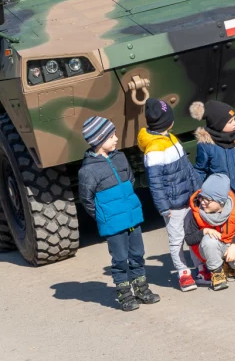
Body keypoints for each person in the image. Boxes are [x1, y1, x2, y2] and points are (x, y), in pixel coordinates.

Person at [78, 116, 159, 311]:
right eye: (111, 136)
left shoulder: (120, 157)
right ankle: (124, 294)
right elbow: (86, 199)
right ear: (98, 140)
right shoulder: (87, 171)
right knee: (120, 258)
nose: (116, 139)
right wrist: (103, 216)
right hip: (113, 223)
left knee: (138, 254)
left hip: (131, 216)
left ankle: (141, 289)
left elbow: (130, 180)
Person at [138, 98, 201, 292]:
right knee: (177, 240)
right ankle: (183, 273)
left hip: (188, 199)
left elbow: (187, 168)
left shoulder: (171, 140)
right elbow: (155, 184)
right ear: (168, 122)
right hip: (173, 206)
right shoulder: (154, 149)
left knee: (192, 235)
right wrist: (164, 208)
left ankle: (200, 267)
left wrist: (198, 189)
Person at [184, 174, 235, 291]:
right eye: (201, 198)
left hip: (228, 244)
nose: (202, 202)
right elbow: (188, 239)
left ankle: (228, 265)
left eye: (207, 200)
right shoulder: (196, 213)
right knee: (210, 240)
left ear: (220, 202)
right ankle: (216, 272)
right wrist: (204, 231)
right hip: (208, 249)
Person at [191, 100, 235, 223]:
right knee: (230, 230)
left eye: (234, 119)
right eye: (230, 121)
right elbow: (201, 170)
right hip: (223, 198)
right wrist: (197, 192)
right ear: (218, 124)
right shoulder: (206, 145)